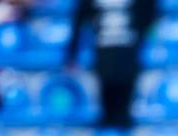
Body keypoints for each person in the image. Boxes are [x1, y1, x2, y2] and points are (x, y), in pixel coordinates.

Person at [67, 0, 156, 128]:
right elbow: (80, 18)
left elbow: (149, 12)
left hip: (125, 57)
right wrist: (72, 54)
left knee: (123, 113)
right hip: (108, 58)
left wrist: (71, 53)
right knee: (107, 112)